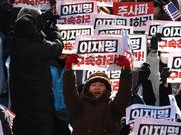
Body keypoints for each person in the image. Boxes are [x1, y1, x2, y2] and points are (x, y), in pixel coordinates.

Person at [9, 7, 63, 135]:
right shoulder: (39, 46)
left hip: (19, 96)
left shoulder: (13, 38)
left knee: (21, 127)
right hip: (40, 102)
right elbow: (57, 46)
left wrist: (44, 19)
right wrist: (55, 32)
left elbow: (26, 28)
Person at [63, 54, 133, 135]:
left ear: (107, 89)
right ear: (87, 89)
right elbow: (69, 94)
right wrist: (68, 70)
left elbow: (124, 94)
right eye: (93, 85)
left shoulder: (113, 107)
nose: (97, 87)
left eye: (101, 85)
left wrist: (126, 71)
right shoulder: (79, 106)